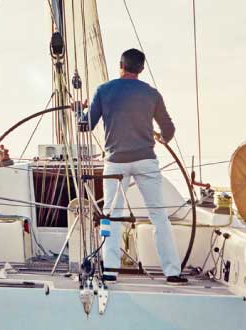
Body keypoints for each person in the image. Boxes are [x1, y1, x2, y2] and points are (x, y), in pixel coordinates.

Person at [79, 49, 187, 285]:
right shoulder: (152, 94)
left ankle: (110, 270)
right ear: (141, 69)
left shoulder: (104, 90)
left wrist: (79, 110)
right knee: (158, 215)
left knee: (111, 215)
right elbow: (169, 129)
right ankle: (172, 272)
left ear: (121, 65)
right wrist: (161, 137)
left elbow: (85, 125)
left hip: (115, 162)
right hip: (146, 160)